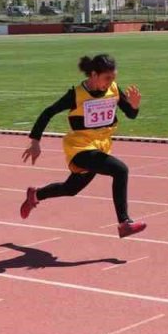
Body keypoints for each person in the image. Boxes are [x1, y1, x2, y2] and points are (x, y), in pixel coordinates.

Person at [19, 53, 146, 238]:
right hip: (80, 148)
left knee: (71, 189)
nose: (110, 82)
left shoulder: (114, 89)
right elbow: (48, 112)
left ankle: (35, 195)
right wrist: (35, 142)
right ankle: (124, 222)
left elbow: (131, 114)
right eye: (107, 78)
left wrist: (134, 106)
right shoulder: (76, 95)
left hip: (100, 147)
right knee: (120, 170)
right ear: (93, 75)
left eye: (113, 78)